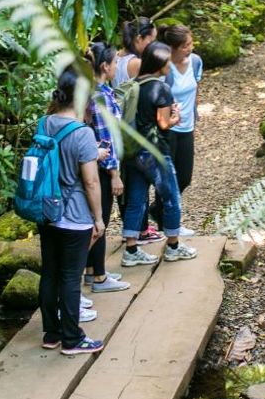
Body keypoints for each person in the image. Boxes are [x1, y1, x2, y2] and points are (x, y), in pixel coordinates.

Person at [37, 65, 106, 355]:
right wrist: (99, 219)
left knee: (50, 273)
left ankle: (51, 334)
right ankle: (72, 339)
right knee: (70, 277)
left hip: (46, 211)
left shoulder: (44, 123)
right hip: (74, 216)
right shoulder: (82, 133)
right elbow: (90, 182)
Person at [120, 42, 199, 266]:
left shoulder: (135, 84)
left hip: (133, 152)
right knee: (171, 197)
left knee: (136, 200)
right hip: (155, 152)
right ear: (158, 64)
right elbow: (163, 123)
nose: (169, 66)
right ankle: (173, 246)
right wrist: (176, 117)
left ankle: (131, 250)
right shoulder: (161, 88)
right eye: (167, 62)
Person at [83, 42, 131, 293]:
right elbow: (106, 137)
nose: (117, 67)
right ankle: (100, 277)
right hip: (101, 168)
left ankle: (92, 271)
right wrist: (115, 174)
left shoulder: (95, 91)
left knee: (95, 218)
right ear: (104, 66)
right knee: (99, 220)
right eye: (115, 63)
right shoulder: (100, 96)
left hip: (93, 165)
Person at [161, 24, 201, 236]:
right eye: (185, 46)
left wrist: (195, 112)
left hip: (187, 126)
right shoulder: (165, 67)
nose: (190, 48)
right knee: (168, 177)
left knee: (184, 177)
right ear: (172, 48)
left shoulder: (196, 61)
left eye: (190, 44)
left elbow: (196, 87)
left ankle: (158, 212)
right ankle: (169, 222)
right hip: (169, 128)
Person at [113, 17, 156, 88]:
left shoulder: (115, 55)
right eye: (151, 41)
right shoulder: (137, 63)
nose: (153, 45)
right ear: (139, 38)